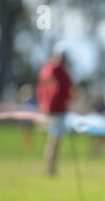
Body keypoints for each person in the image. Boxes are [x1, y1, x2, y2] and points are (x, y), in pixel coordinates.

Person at [36, 43, 74, 175]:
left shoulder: (45, 69)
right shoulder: (59, 72)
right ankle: (51, 169)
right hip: (56, 110)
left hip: (48, 109)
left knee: (52, 140)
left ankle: (50, 167)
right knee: (55, 140)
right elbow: (64, 91)